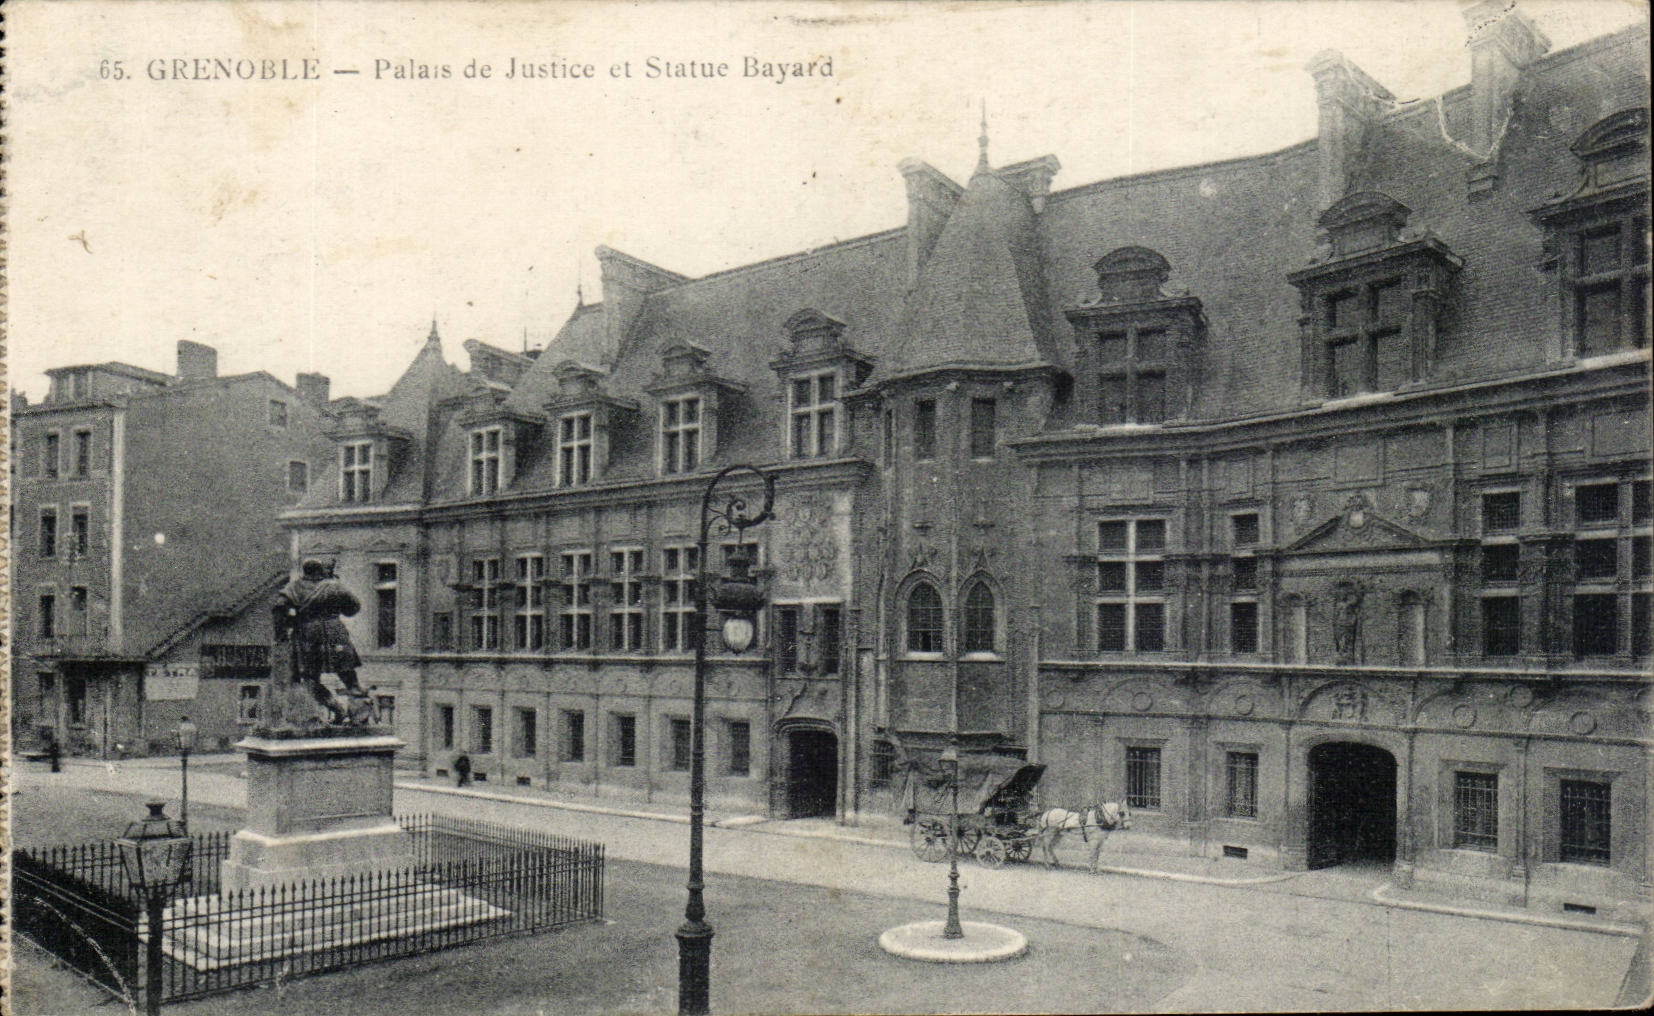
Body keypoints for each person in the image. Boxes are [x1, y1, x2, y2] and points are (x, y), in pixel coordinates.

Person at [273, 558, 370, 724]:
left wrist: (284, 631)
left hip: (308, 633)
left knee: (309, 678)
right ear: (321, 571)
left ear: (305, 571)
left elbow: (279, 607)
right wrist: (335, 608)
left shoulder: (294, 587)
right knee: (348, 675)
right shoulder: (334, 586)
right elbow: (354, 607)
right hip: (335, 631)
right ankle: (359, 714)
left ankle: (336, 708)